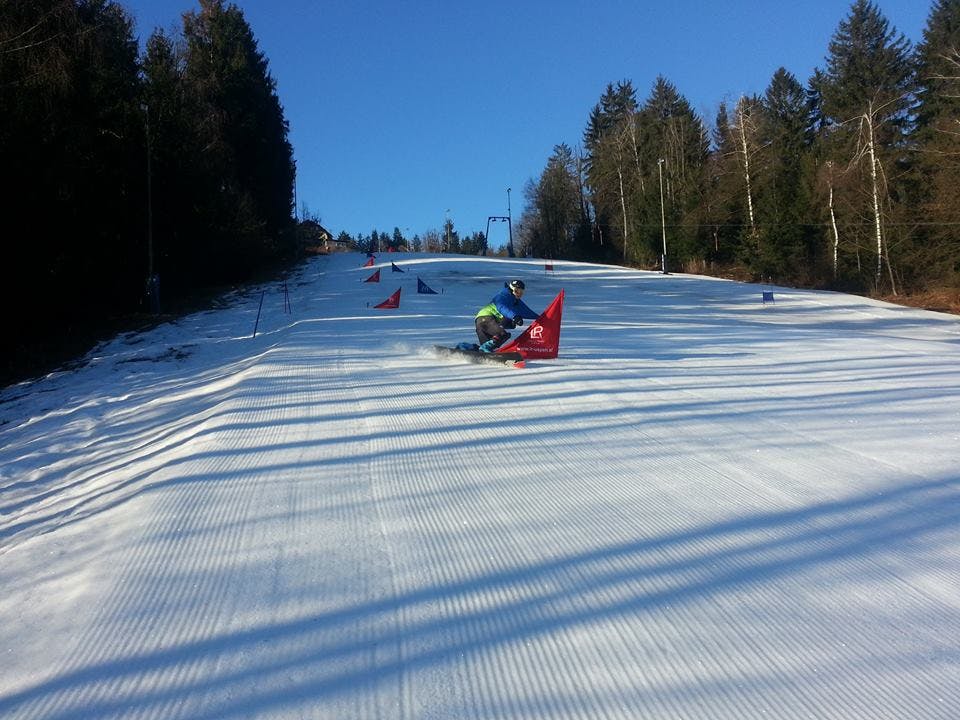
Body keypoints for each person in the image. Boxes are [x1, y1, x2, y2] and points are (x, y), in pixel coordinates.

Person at [474, 279, 539, 352]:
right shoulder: (503, 296)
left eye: (521, 292)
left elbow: (527, 312)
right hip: (485, 318)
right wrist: (514, 317)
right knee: (502, 334)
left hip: (483, 321)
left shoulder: (516, 302)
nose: (519, 294)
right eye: (517, 291)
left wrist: (542, 318)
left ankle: (467, 347)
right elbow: (502, 308)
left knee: (486, 348)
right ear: (511, 289)